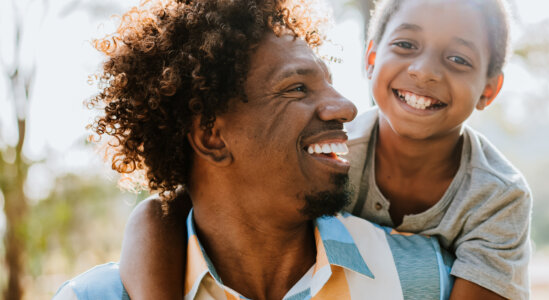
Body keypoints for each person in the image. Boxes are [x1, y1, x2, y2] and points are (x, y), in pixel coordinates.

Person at [121, 0, 533, 299]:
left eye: (459, 58)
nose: (424, 70)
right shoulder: (336, 148)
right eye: (406, 45)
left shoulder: (495, 200)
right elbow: (165, 212)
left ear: (490, 89)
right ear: (371, 58)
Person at [53, 0, 455, 299]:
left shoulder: (421, 278)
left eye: (329, 83)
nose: (346, 108)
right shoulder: (96, 298)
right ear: (212, 136)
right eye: (297, 88)